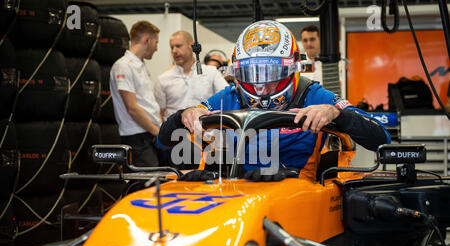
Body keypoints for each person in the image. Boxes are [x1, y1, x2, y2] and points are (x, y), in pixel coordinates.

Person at [158, 20, 391, 181]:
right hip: (238, 192)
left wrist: (337, 113)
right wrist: (184, 115)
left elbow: (382, 138)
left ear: (292, 68)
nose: (260, 85)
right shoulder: (230, 95)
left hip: (300, 191)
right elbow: (164, 140)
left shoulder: (314, 95)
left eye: (270, 73)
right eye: (251, 74)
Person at [110, 21, 162, 167]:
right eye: (156, 43)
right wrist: (156, 131)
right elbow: (132, 107)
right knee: (149, 184)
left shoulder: (141, 66)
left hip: (149, 132)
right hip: (137, 135)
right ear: (147, 39)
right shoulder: (123, 66)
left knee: (160, 179)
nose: (156, 48)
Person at [154, 31, 228, 121]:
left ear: (192, 46)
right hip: (175, 132)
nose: (174, 51)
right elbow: (160, 113)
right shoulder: (163, 79)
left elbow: (227, 96)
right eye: (172, 47)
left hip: (206, 131)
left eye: (178, 46)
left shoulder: (211, 72)